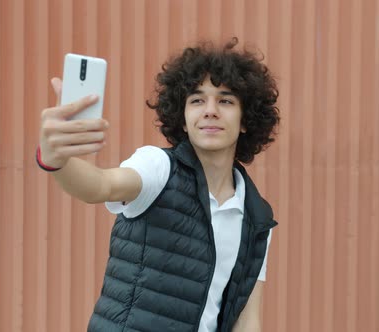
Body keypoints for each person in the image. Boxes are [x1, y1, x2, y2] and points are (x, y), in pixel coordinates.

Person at [37, 38, 280, 332]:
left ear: (245, 120)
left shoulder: (257, 217)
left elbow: (246, 320)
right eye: (197, 100)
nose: (210, 110)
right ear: (183, 117)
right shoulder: (158, 167)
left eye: (226, 100)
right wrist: (55, 158)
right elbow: (100, 186)